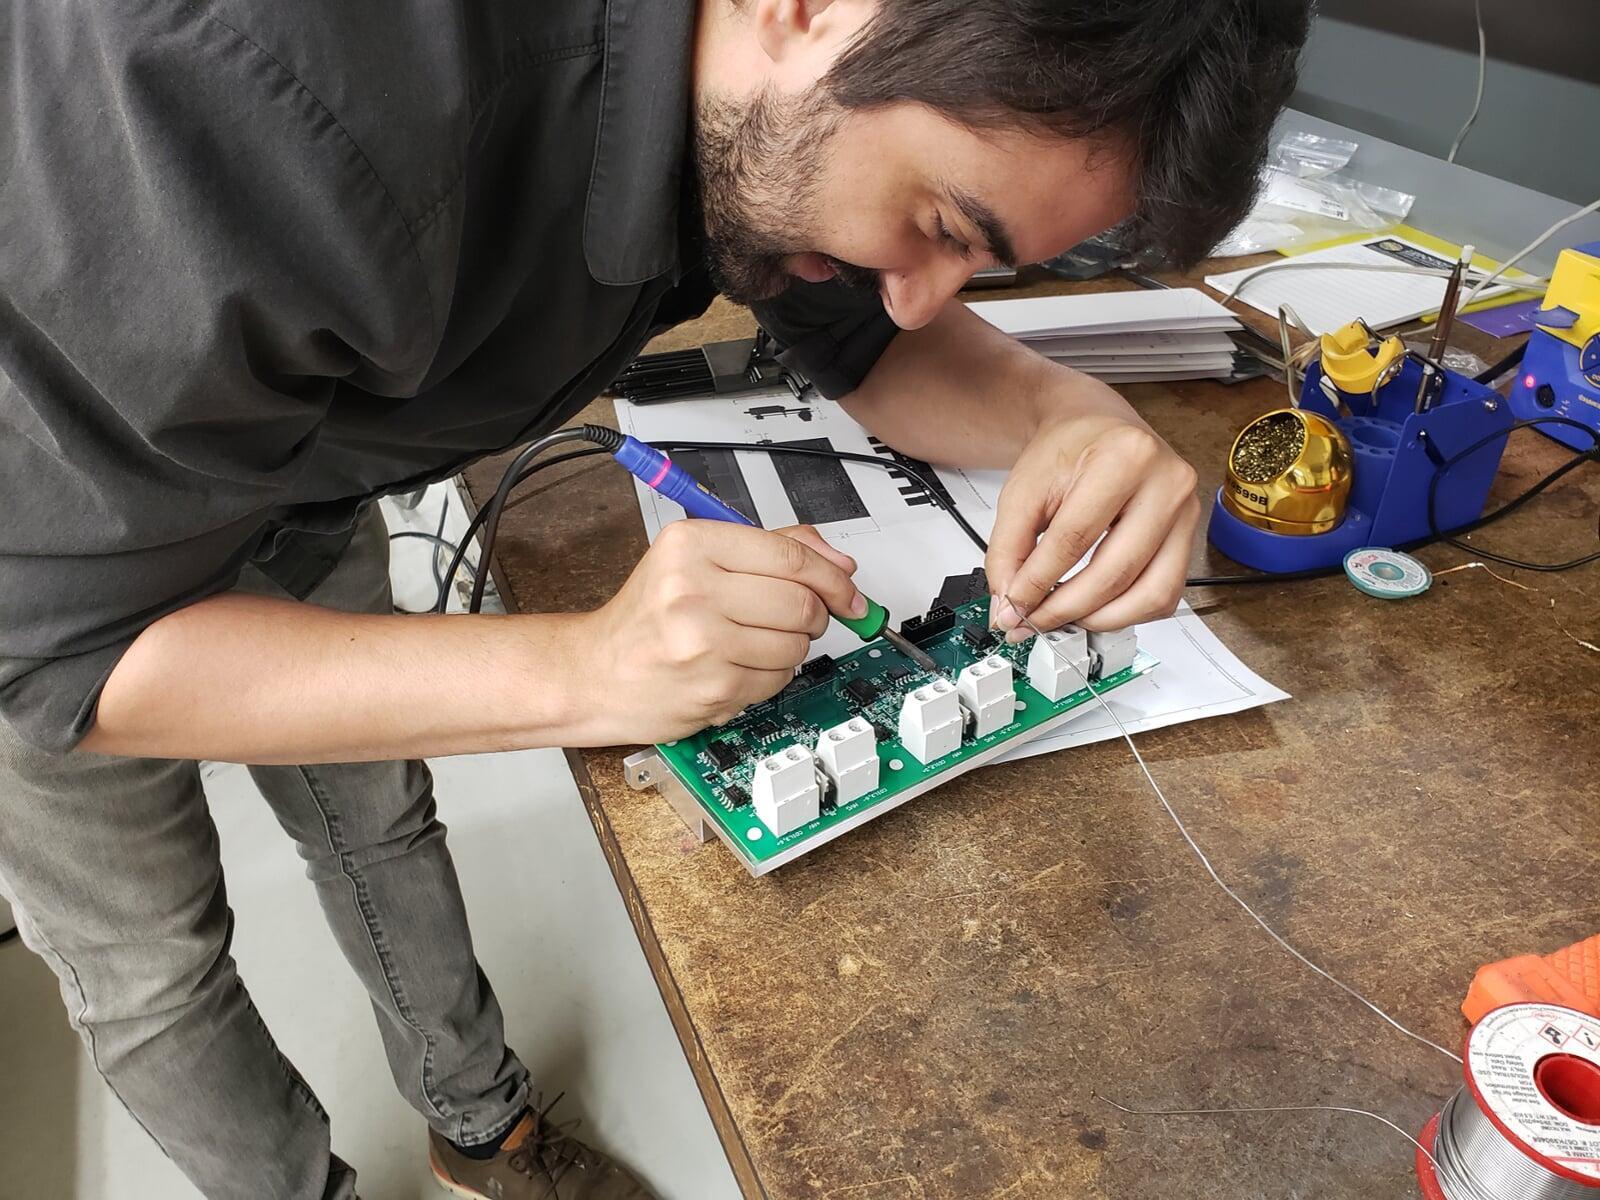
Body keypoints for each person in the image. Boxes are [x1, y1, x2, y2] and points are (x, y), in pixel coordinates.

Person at [0, 1, 1310, 1196]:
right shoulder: (267, 89)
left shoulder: (760, 95)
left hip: (288, 451)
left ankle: (482, 1129)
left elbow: (861, 332)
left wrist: (1064, 410)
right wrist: (588, 670)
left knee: (377, 818)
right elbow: (64, 658)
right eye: (943, 227)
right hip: (37, 534)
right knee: (152, 964)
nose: (914, 294)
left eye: (977, 264)